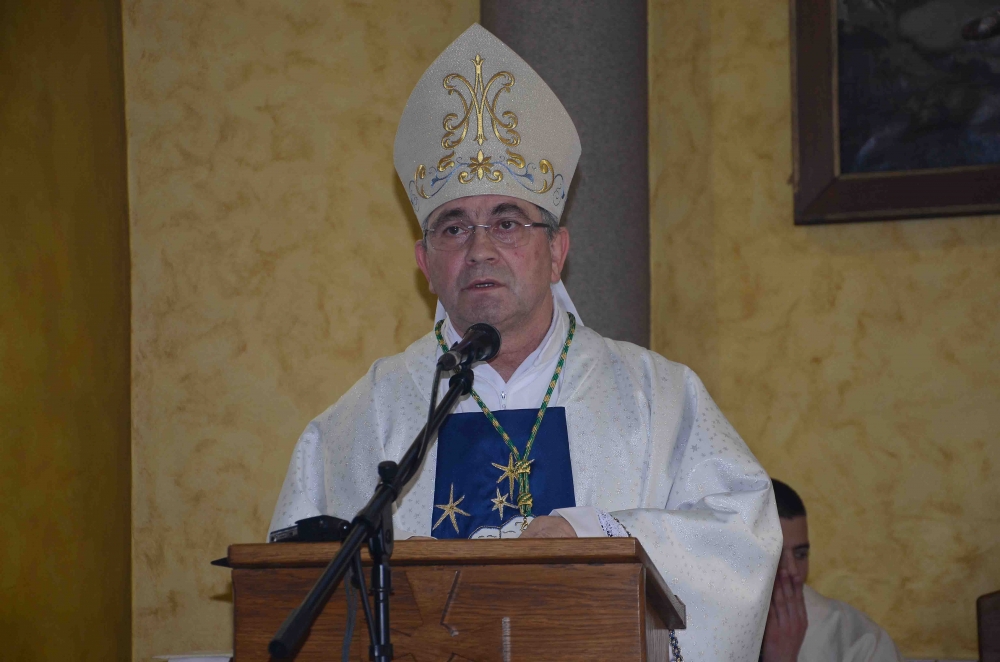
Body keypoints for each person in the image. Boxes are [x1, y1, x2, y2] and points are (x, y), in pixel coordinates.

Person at [270, 24, 781, 660]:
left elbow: (742, 533)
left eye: (507, 222)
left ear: (557, 251)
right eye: (453, 227)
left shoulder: (657, 398)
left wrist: (592, 532)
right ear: (424, 263)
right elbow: (292, 583)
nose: (480, 249)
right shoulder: (365, 418)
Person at [762, 480, 905, 662]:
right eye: (776, 554)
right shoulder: (725, 624)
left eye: (800, 554)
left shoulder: (854, 638)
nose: (792, 570)